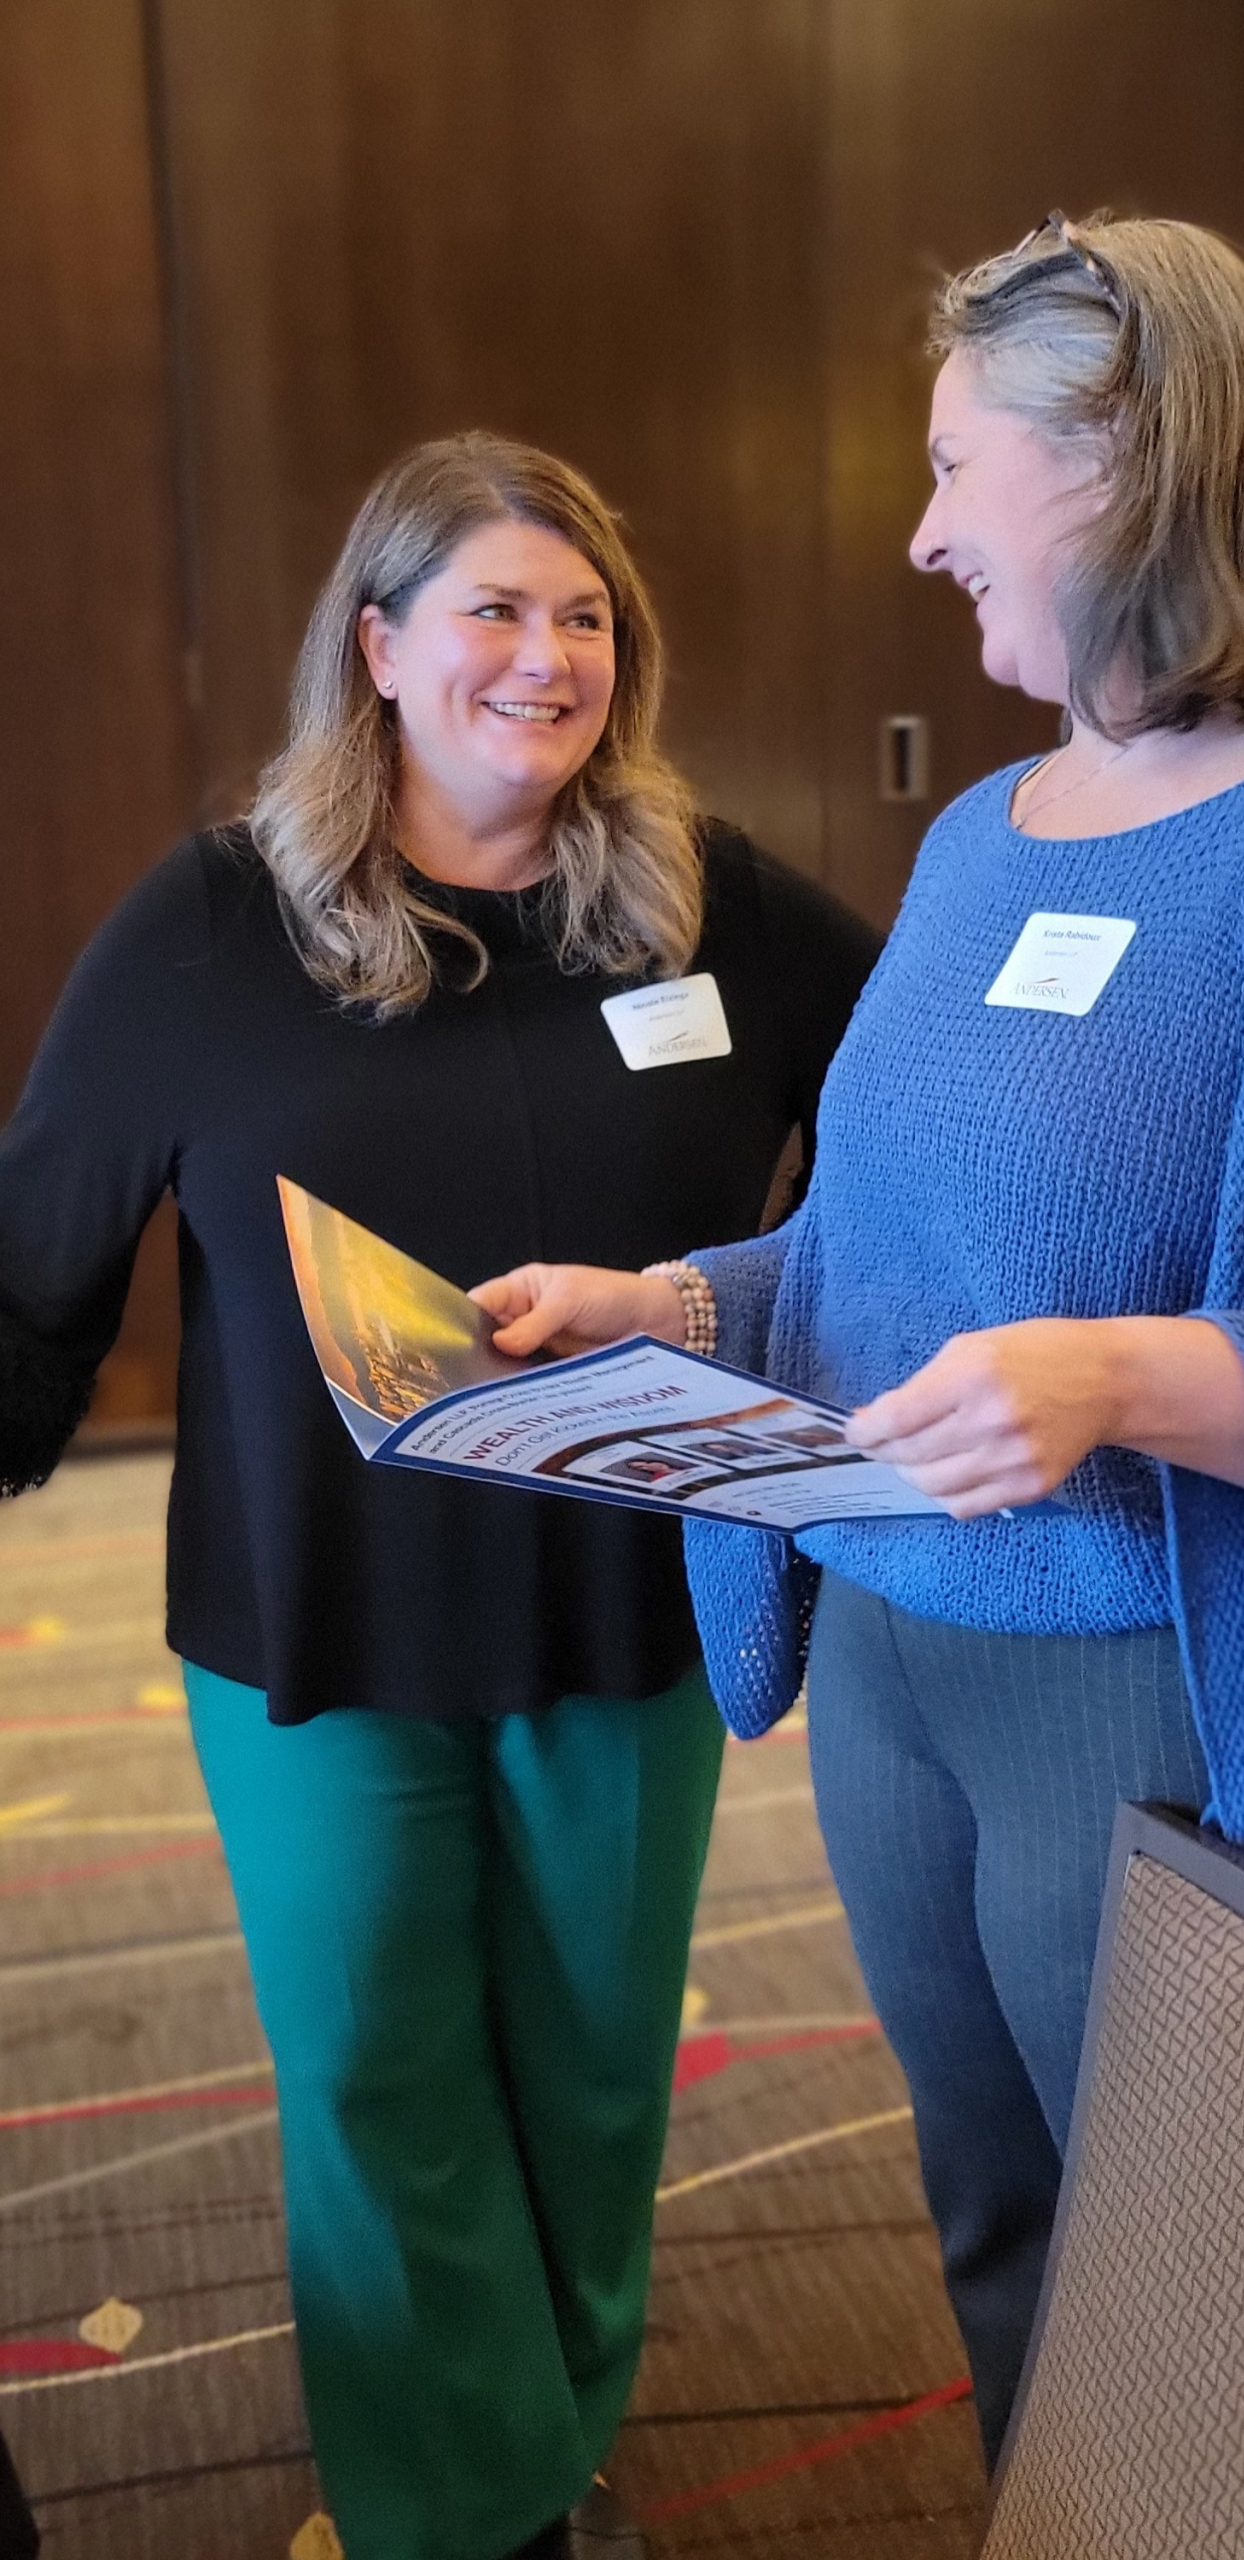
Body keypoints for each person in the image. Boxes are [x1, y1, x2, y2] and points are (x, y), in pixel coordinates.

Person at [471, 216, 1244, 2465]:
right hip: (894, 1663)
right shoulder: (982, 831)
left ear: (1129, 460)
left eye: (959, 465)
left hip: (1144, 1685)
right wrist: (674, 1304)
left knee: (1220, 2293)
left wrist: (1123, 1378)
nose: (923, 528)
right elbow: (881, 1251)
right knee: (1000, 2232)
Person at [0, 432, 879, 2560]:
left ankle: (541, 2444)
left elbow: (919, 1154)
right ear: (379, 646)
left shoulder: (712, 904)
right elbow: (35, 1259)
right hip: (317, 1619)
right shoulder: (215, 925)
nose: (544, 656)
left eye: (584, 618)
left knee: (591, 2070)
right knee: (378, 2070)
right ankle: (457, 2511)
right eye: (494, 608)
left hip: (622, 1602)